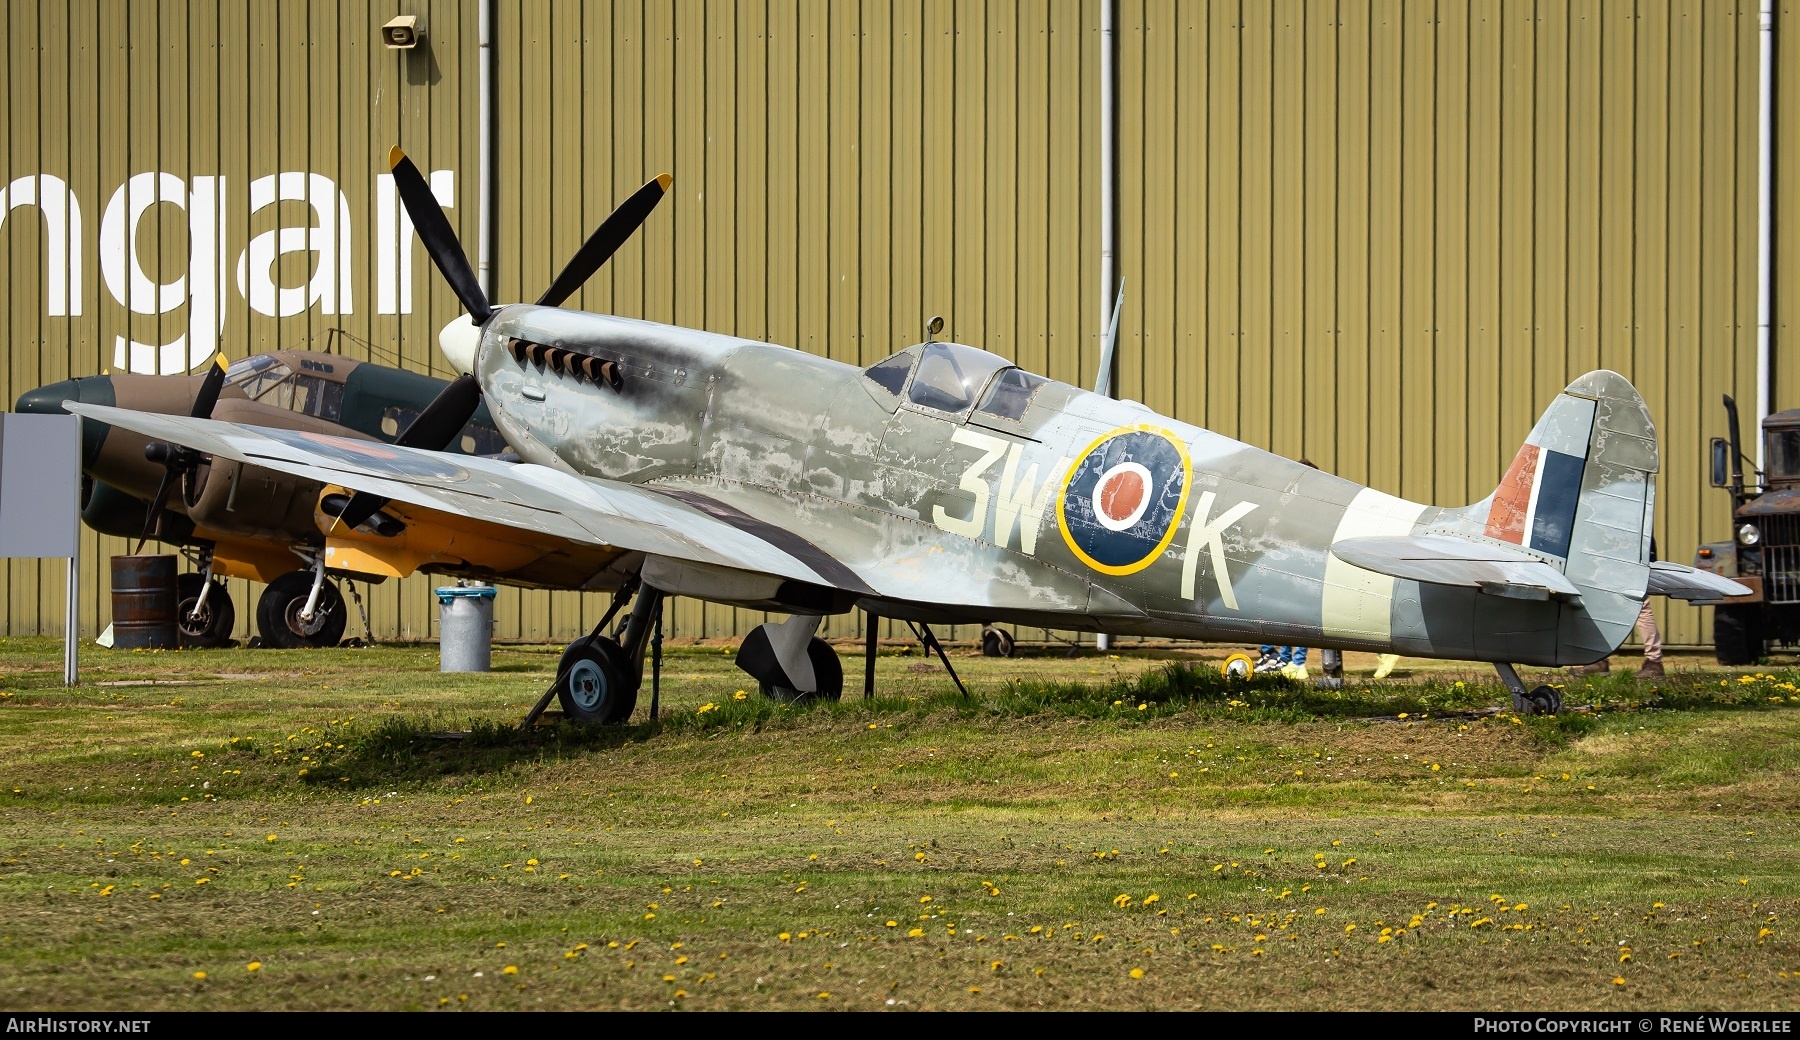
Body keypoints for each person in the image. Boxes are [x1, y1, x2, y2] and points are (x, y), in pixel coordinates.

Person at [1572, 538, 1664, 678]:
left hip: (1626, 549)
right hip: (1626, 548)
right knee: (1608, 604)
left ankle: (1654, 662)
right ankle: (1601, 661)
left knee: (1640, 606)